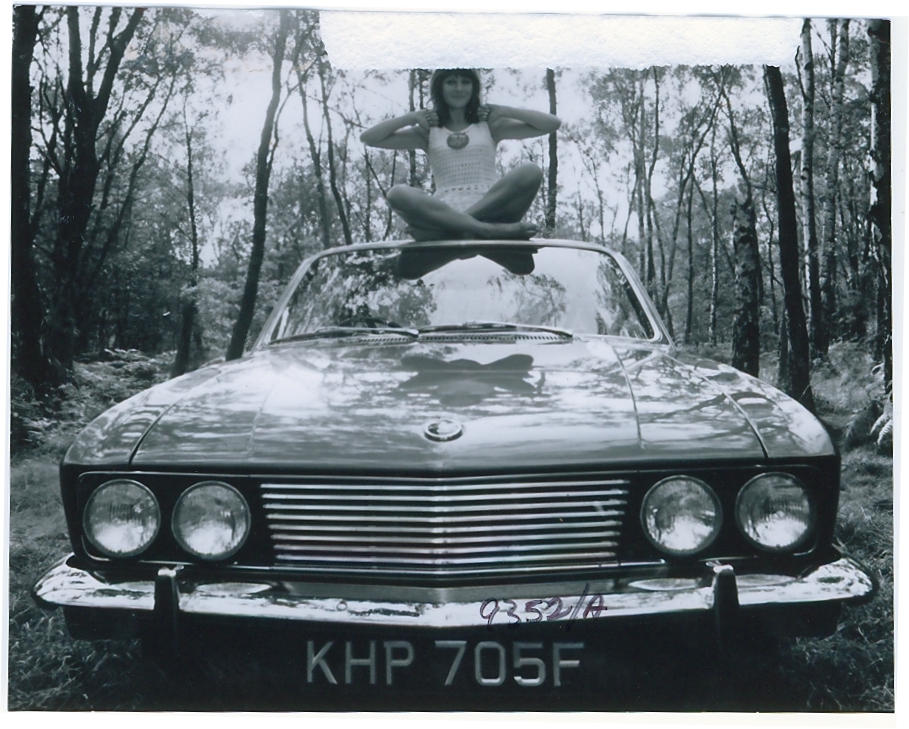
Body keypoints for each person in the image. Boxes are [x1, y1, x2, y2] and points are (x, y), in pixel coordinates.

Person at [360, 68, 561, 242]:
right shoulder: (428, 131)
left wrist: (504, 110)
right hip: (441, 212)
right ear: (439, 87)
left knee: (531, 171)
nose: (459, 88)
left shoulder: (488, 126)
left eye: (465, 82)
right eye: (451, 82)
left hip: (492, 211)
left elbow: (552, 124)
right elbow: (369, 138)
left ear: (474, 88)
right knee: (397, 193)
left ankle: (452, 229)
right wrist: (411, 117)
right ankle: (485, 230)